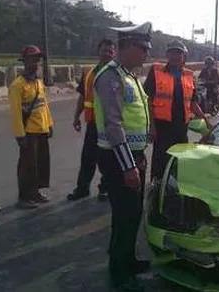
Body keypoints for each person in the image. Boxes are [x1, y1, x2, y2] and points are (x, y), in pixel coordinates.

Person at [93, 23, 153, 291]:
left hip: (133, 154)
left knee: (134, 212)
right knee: (124, 214)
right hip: (118, 157)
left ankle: (128, 259)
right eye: (142, 49)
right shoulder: (111, 76)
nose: (145, 55)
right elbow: (114, 124)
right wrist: (129, 166)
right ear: (127, 47)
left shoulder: (129, 75)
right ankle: (119, 271)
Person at [144, 39, 210, 181]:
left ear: (184, 57)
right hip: (162, 126)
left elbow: (193, 103)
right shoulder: (156, 71)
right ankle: (156, 189)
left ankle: (173, 190)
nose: (175, 56)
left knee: (179, 160)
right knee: (160, 160)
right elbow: (148, 100)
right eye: (172, 53)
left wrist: (206, 120)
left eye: (179, 53)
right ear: (167, 55)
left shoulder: (189, 75)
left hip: (181, 127)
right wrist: (151, 126)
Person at [68, 39, 116, 201]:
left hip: (110, 124)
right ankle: (82, 188)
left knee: (108, 159)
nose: (107, 53)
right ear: (98, 51)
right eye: (104, 50)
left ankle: (106, 188)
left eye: (110, 51)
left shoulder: (118, 73)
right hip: (93, 123)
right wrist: (76, 116)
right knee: (87, 157)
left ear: (114, 53)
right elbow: (83, 96)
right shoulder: (88, 72)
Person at [8, 45, 54, 210]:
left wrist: (49, 124)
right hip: (28, 131)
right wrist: (20, 135)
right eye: (32, 59)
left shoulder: (38, 82)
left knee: (41, 163)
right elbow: (15, 113)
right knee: (27, 165)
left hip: (41, 129)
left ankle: (35, 193)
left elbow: (44, 105)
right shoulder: (17, 85)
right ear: (24, 61)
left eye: (37, 59)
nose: (36, 62)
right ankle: (24, 197)